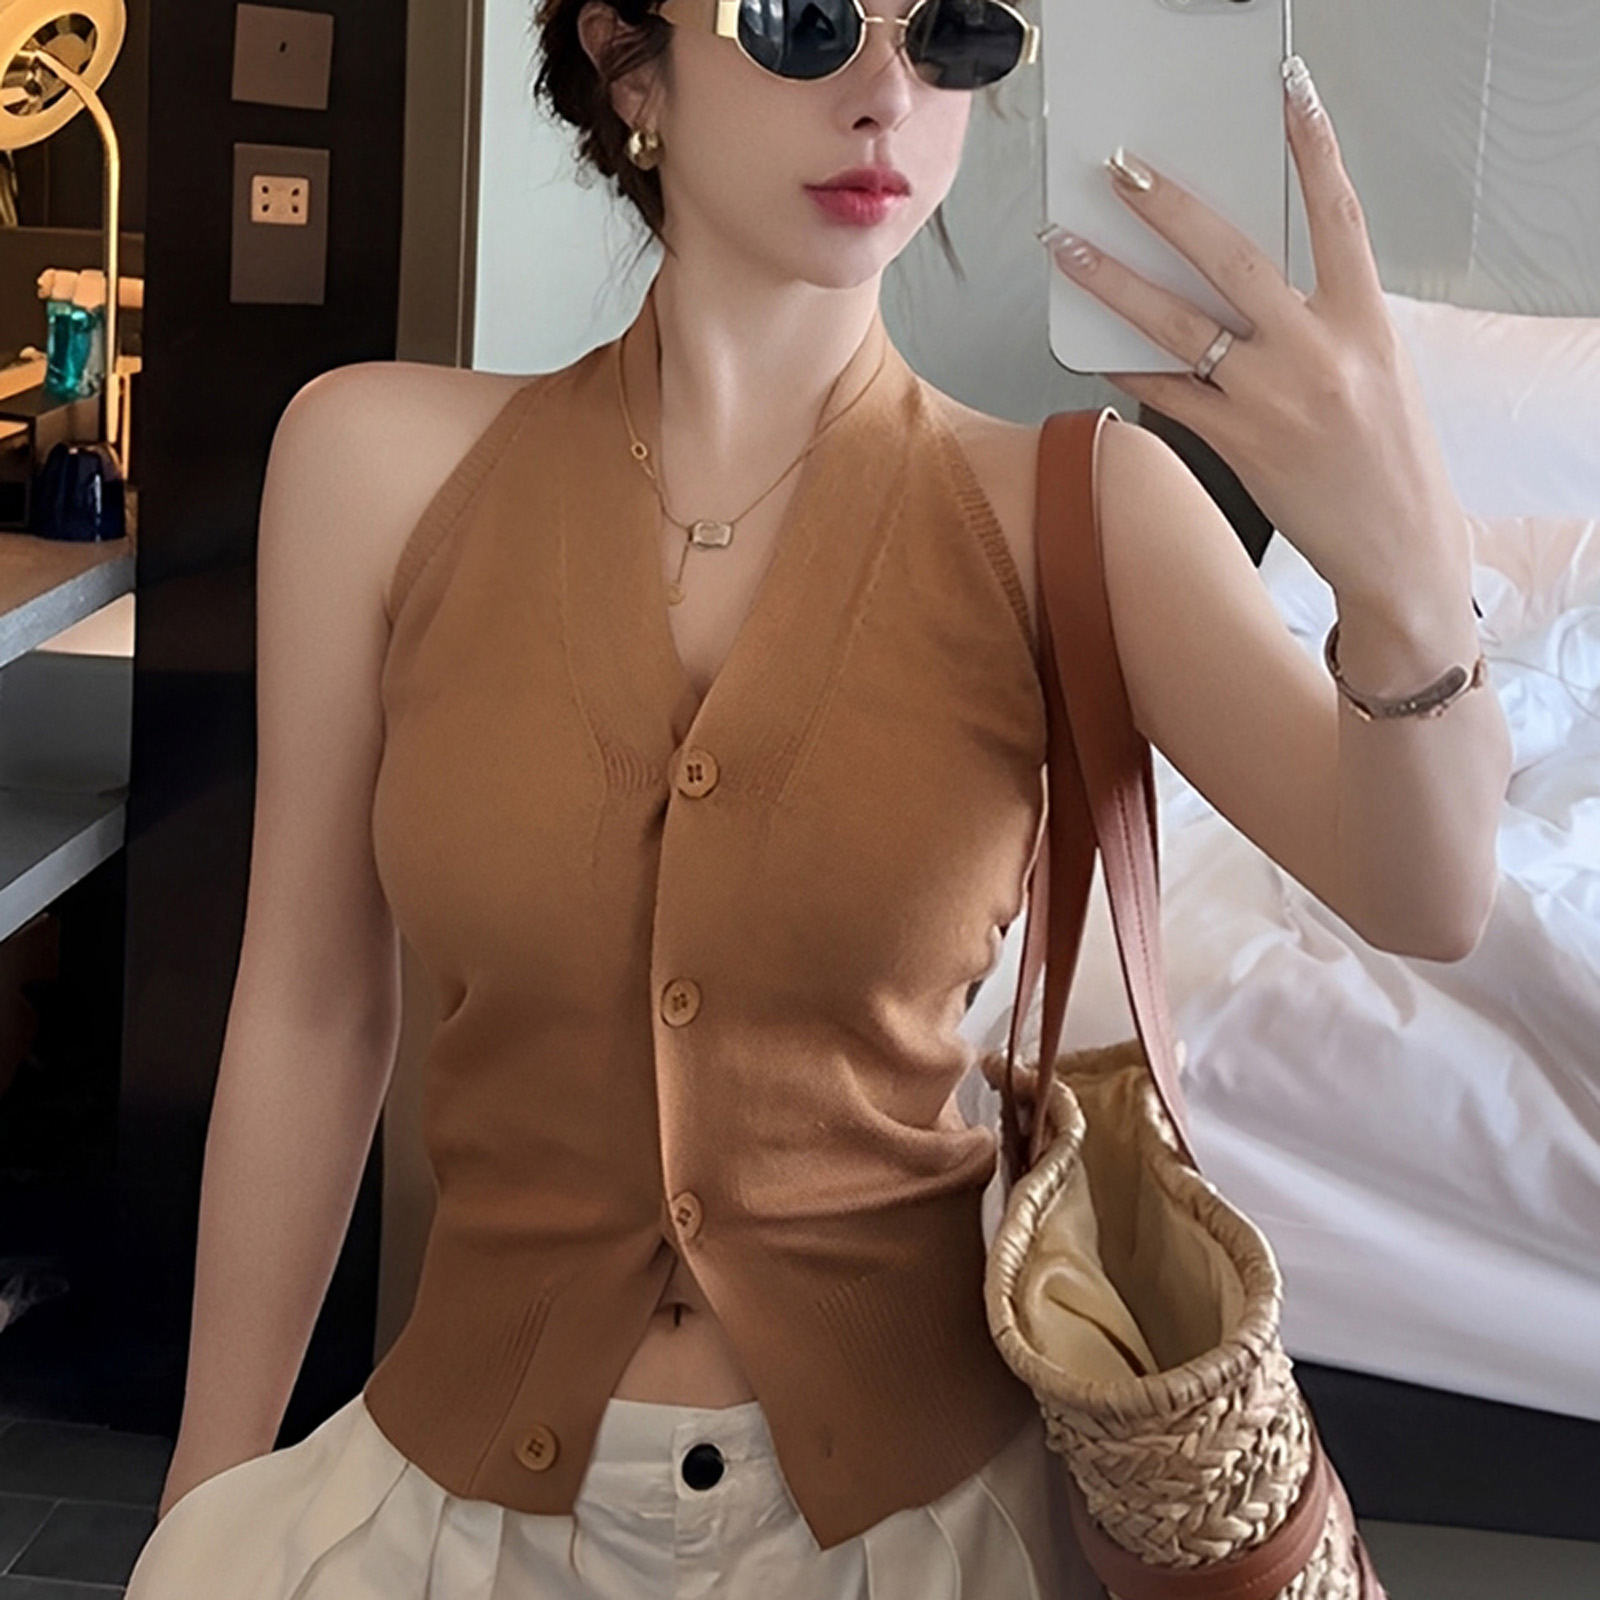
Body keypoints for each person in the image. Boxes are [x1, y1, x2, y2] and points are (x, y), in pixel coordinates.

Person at [126, 0, 1513, 1594]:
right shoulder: (371, 465)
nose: (887, 96)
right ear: (630, 59)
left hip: (940, 1535)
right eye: (804, 20)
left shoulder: (1077, 509)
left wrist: (1408, 574)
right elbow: (310, 1008)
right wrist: (206, 1492)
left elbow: (1430, 894)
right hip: (449, 1512)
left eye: (954, 32)